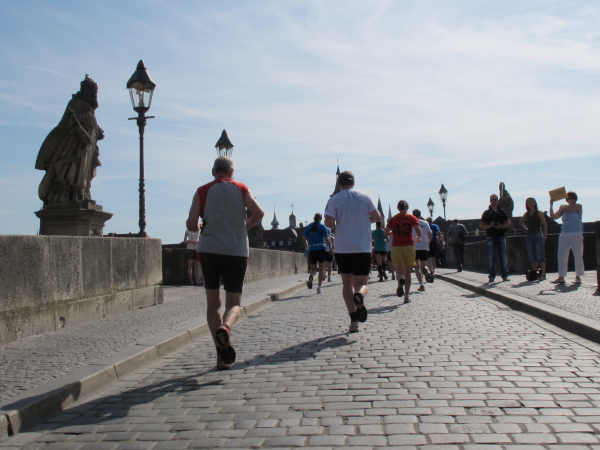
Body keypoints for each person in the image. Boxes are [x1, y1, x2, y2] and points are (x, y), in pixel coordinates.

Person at [186, 156, 264, 370]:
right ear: (232, 172)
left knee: (213, 305)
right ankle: (226, 328)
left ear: (213, 172)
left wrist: (198, 225)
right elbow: (259, 213)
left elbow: (191, 224)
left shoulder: (202, 191)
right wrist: (246, 225)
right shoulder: (241, 188)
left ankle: (220, 356)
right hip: (236, 251)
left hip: (209, 251)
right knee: (234, 304)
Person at [325, 171, 381, 333]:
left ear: (339, 184)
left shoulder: (334, 199)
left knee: (346, 284)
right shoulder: (365, 197)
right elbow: (377, 217)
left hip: (343, 248)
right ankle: (360, 295)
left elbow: (329, 222)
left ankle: (354, 321)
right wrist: (365, 220)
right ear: (353, 183)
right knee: (362, 283)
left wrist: (340, 222)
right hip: (362, 247)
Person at [35, 76, 104, 204]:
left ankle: (82, 194)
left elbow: (90, 122)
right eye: (93, 91)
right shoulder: (76, 103)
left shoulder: (89, 107)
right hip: (75, 146)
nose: (94, 94)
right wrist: (78, 129)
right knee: (73, 171)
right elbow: (67, 124)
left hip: (87, 145)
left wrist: (97, 130)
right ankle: (70, 195)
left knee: (83, 171)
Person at [385, 200, 421, 303]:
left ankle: (400, 280)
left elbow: (386, 232)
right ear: (407, 208)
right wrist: (419, 237)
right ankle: (406, 296)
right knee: (408, 272)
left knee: (400, 272)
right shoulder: (412, 217)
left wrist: (393, 233)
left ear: (398, 208)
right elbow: (418, 230)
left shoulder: (393, 219)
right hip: (409, 246)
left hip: (396, 247)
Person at [549, 191, 584, 284]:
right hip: (564, 233)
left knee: (578, 255)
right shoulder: (563, 208)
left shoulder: (578, 206)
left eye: (573, 198)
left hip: (576, 232)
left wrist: (563, 206)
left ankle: (578, 276)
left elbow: (570, 208)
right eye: (569, 198)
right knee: (561, 255)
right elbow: (553, 216)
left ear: (575, 199)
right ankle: (561, 276)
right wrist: (551, 205)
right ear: (567, 199)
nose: (571, 199)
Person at [479, 194, 510, 283]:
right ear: (490, 201)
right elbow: (481, 225)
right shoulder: (486, 213)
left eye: (495, 199)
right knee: (491, 257)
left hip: (501, 236)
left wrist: (501, 226)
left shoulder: (502, 212)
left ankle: (504, 276)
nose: (494, 201)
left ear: (498, 200)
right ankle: (491, 276)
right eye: (492, 200)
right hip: (491, 236)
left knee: (503, 257)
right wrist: (489, 226)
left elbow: (508, 223)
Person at [302, 213, 333, 294]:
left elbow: (303, 238)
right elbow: (327, 238)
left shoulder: (309, 226)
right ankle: (319, 287)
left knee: (313, 268)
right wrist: (330, 248)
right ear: (320, 218)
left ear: (314, 218)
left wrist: (307, 246)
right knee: (321, 269)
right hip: (321, 248)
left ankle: (311, 276)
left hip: (312, 249)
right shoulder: (322, 226)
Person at [519, 198, 547, 281]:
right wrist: (526, 229)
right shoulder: (526, 214)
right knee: (532, 256)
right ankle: (535, 273)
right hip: (529, 235)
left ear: (535, 203)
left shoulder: (539, 213)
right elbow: (521, 222)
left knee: (540, 255)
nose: (530, 204)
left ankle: (543, 274)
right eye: (529, 203)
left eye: (532, 202)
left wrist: (545, 235)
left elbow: (544, 224)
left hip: (537, 234)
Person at [412, 209, 432, 291]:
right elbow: (430, 233)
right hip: (424, 246)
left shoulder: (411, 224)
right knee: (424, 265)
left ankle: (421, 284)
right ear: (420, 215)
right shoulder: (425, 223)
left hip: (414, 247)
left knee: (416, 268)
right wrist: (428, 242)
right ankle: (426, 270)